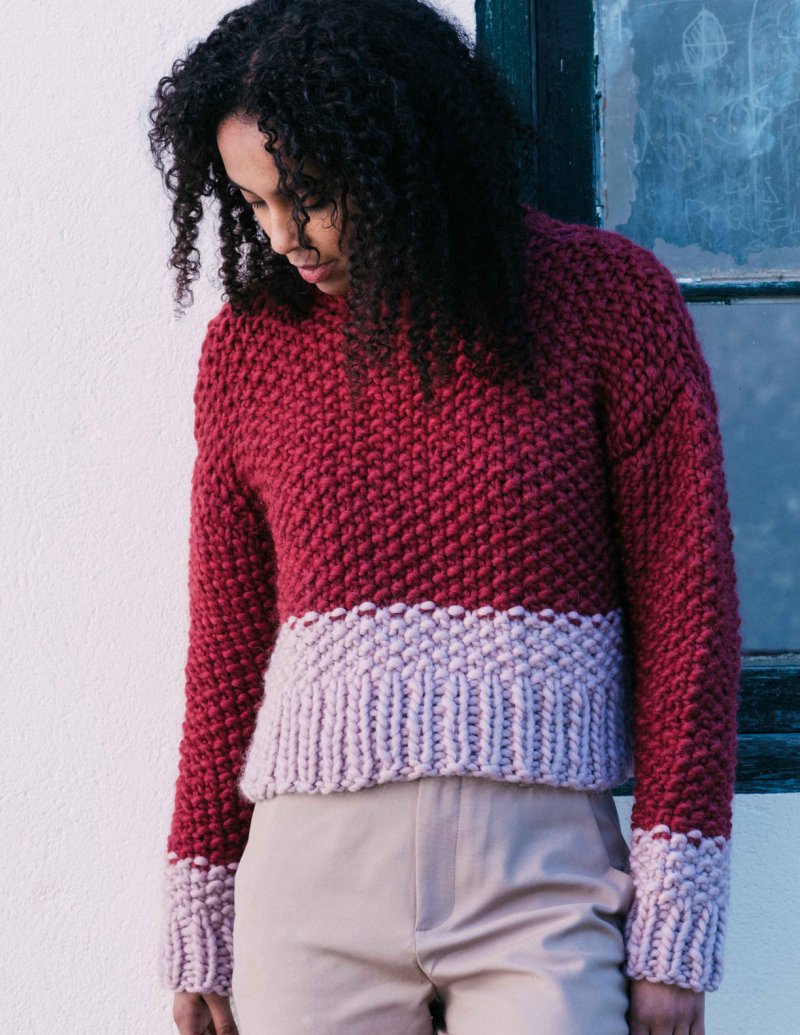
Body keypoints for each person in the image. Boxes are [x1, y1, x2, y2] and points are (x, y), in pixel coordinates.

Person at [147, 1, 742, 1033]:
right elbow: (228, 649)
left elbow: (689, 625)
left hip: (544, 881)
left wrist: (676, 922)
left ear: (401, 156)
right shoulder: (250, 349)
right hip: (307, 887)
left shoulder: (606, 304)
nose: (281, 237)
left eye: (309, 196)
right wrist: (198, 904)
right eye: (253, 203)